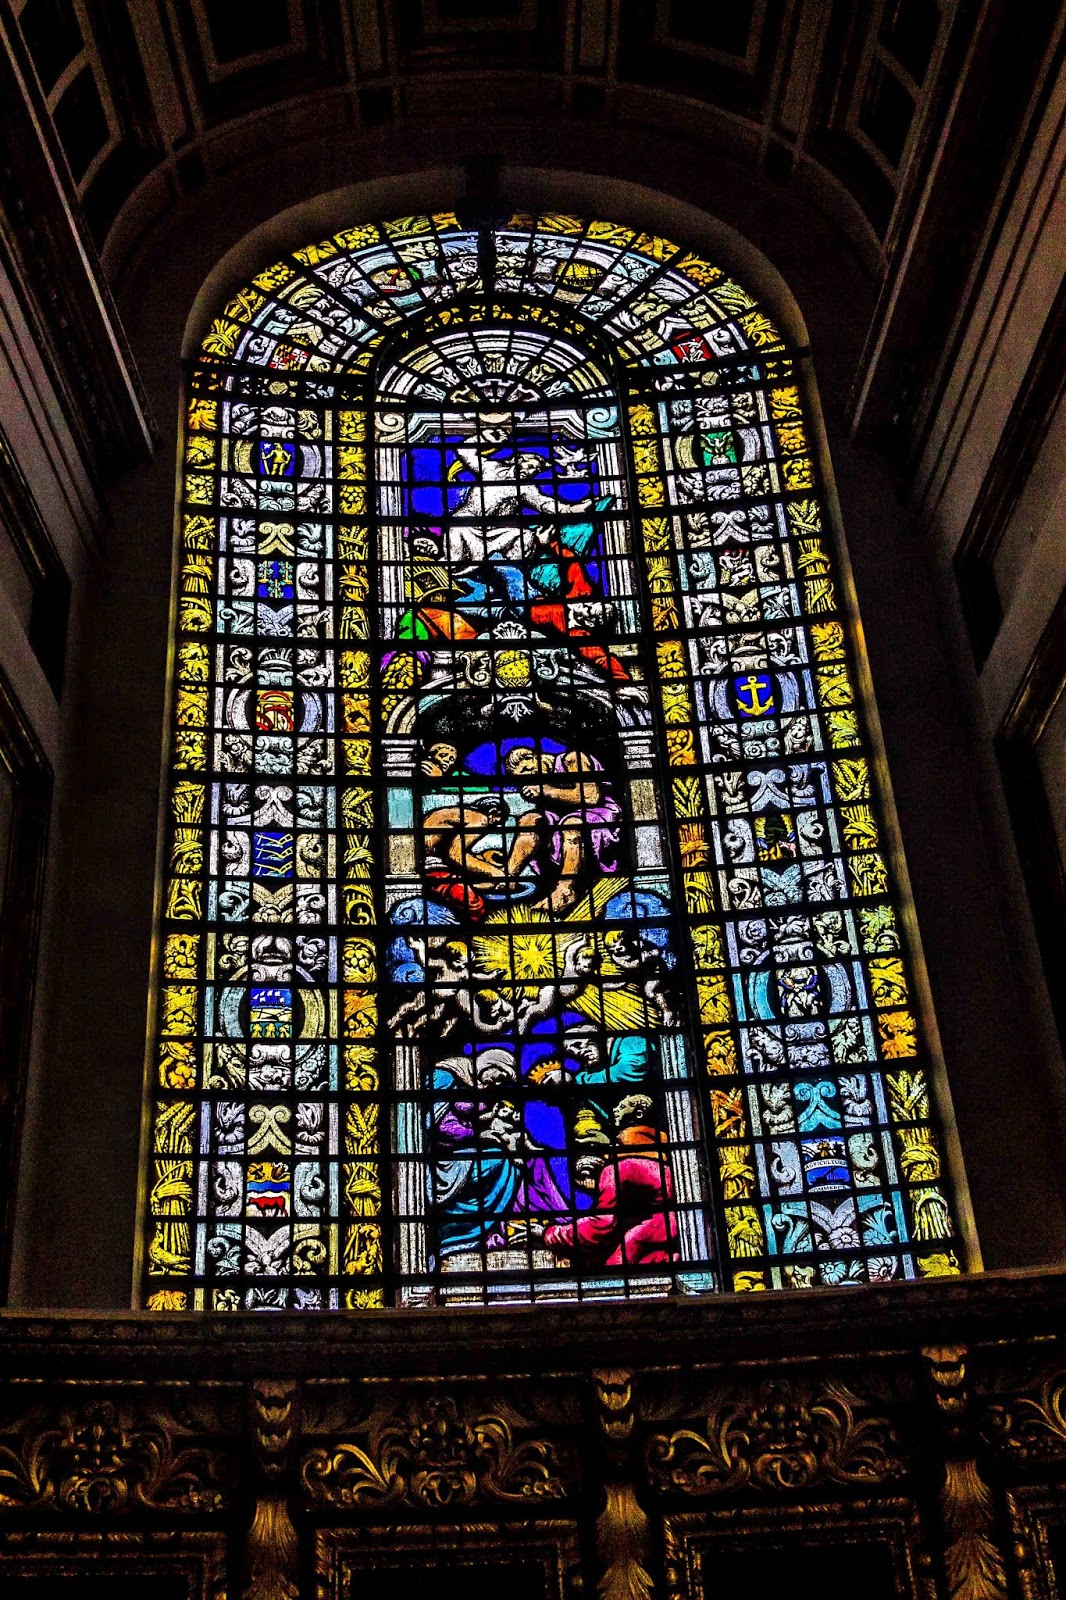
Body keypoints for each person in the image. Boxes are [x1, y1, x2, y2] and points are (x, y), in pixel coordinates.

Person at [541, 1096, 679, 1269]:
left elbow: (602, 1225)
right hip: (668, 1240)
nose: (615, 1110)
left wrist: (549, 1234)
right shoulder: (664, 1159)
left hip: (637, 1248)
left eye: (621, 1107)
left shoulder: (619, 1167)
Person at [503, 744, 623, 912]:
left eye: (527, 769)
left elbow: (591, 796)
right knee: (529, 820)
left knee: (571, 823)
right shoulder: (542, 781)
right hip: (562, 817)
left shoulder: (572, 759)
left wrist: (546, 791)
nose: (530, 776)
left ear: (533, 757)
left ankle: (565, 890)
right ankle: (507, 878)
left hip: (600, 813)